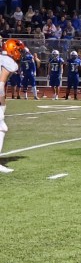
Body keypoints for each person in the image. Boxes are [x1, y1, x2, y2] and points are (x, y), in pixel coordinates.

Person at [0, 39, 24, 173]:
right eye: (18, 50)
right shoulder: (8, 62)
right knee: (1, 127)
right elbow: (0, 84)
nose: (19, 53)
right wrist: (2, 103)